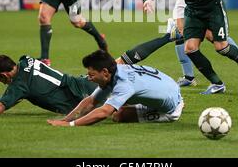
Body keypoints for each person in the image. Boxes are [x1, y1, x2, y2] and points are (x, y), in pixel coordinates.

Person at [47, 50, 183, 126]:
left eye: (91, 75)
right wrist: (66, 119)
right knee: (119, 103)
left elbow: (104, 112)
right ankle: (176, 100)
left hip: (170, 109)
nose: (88, 78)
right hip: (170, 87)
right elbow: (91, 101)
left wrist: (71, 125)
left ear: (105, 72)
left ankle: (177, 108)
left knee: (118, 115)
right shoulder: (116, 71)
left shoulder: (124, 84)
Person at [0, 55, 97, 117]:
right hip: (87, 81)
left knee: (118, 114)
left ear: (4, 75)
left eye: (0, 80)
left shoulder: (20, 85)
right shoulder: (26, 59)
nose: (3, 84)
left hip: (86, 99)